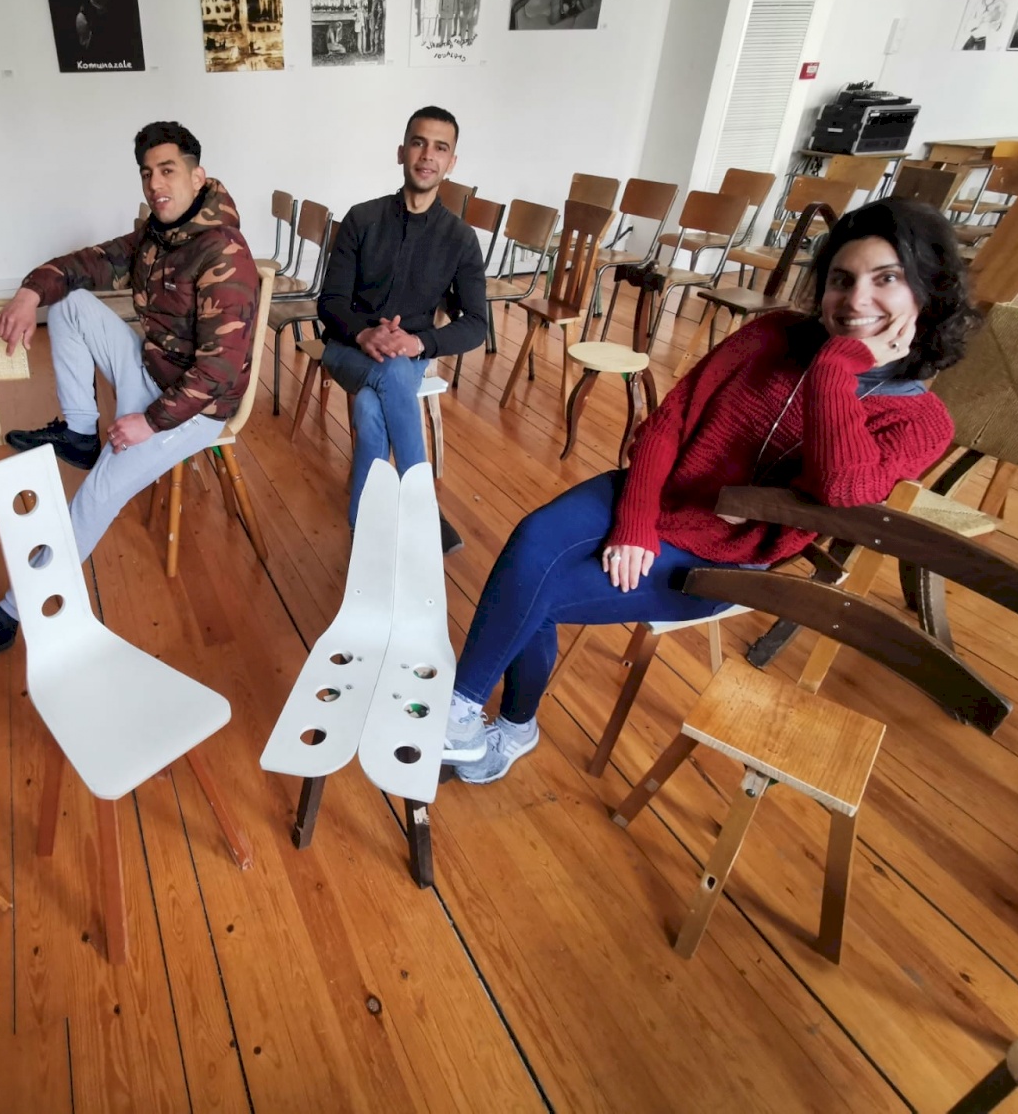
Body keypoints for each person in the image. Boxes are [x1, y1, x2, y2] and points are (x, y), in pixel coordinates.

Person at [444, 199, 978, 783]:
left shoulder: (922, 423)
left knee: (534, 595)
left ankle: (507, 725)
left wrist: (834, 370)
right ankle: (463, 714)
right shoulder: (773, 332)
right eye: (841, 279)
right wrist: (635, 523)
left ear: (929, 291)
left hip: (723, 559)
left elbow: (841, 489)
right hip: (651, 495)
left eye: (886, 279)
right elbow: (669, 422)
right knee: (532, 543)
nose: (855, 299)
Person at [0, 121, 259, 667]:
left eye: (168, 170)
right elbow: (85, 263)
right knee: (69, 302)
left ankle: (10, 616)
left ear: (198, 177)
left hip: (193, 409)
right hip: (152, 372)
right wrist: (30, 291)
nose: (156, 183)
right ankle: (80, 431)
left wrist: (149, 422)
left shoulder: (224, 253)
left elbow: (218, 373)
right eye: (147, 173)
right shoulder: (158, 234)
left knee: (92, 501)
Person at [316, 106, 487, 553]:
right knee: (389, 375)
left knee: (371, 407)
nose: (427, 155)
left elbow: (477, 325)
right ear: (401, 152)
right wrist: (363, 333)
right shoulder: (362, 219)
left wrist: (419, 342)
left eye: (440, 148)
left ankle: (363, 529)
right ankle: (422, 505)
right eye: (418, 143)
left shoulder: (460, 238)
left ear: (451, 163)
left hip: (409, 357)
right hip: (347, 349)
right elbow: (329, 302)